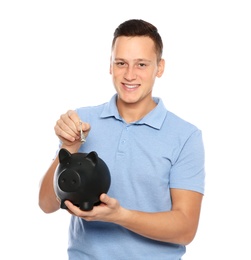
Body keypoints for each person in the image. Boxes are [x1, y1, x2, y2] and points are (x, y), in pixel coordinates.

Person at [38, 19, 205, 260]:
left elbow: (185, 228)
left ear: (159, 67)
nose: (129, 75)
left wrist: (119, 216)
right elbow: (46, 204)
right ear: (110, 65)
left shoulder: (185, 136)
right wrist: (69, 147)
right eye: (121, 63)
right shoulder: (82, 121)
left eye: (141, 64)